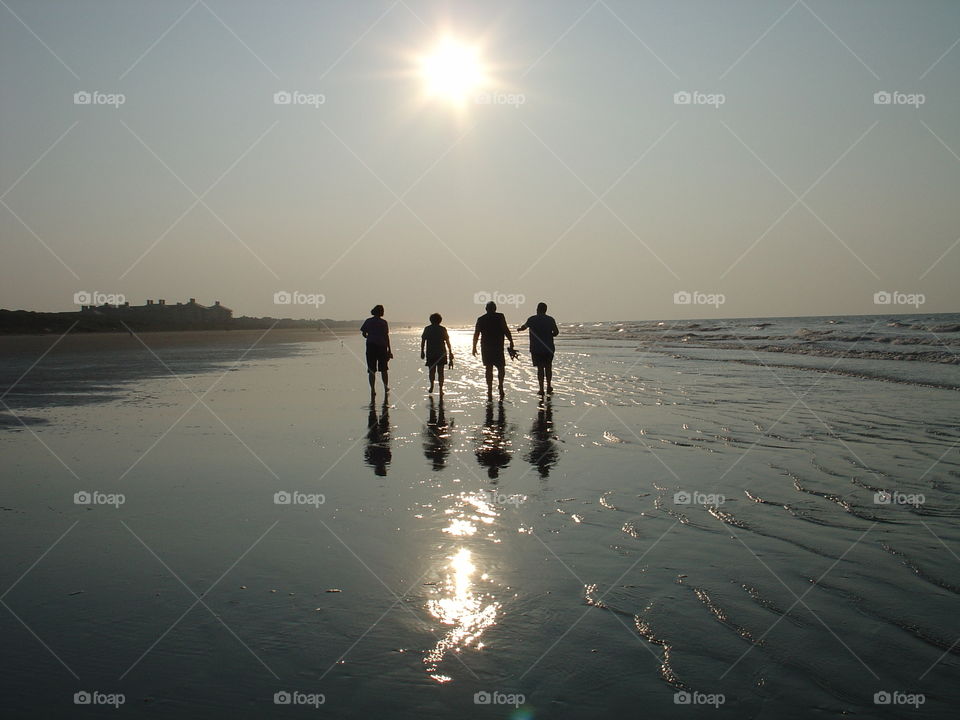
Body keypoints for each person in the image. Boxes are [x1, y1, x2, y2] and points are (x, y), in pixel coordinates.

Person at [472, 301, 515, 399]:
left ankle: (490, 389)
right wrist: (511, 341)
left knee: (489, 368)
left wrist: (474, 347)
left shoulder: (481, 319)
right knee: (500, 367)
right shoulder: (500, 316)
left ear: (486, 309)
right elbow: (505, 329)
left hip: (486, 347)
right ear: (495, 308)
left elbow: (476, 334)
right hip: (497, 346)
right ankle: (500, 385)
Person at [518, 302, 559, 395]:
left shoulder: (531, 319)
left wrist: (519, 329)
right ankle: (549, 386)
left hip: (536, 348)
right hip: (548, 347)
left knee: (540, 369)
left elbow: (524, 327)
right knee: (548, 367)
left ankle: (541, 389)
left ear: (537, 309)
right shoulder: (550, 319)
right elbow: (556, 332)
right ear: (545, 310)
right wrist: (549, 335)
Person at [360, 304, 392, 397]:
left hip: (371, 346)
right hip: (382, 347)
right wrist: (389, 350)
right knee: (384, 369)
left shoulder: (368, 321)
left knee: (371, 369)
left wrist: (368, 336)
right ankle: (385, 387)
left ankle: (373, 389)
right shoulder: (383, 322)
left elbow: (363, 332)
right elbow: (386, 336)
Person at [420, 313, 453, 394]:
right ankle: (441, 389)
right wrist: (450, 352)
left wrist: (422, 351)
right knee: (440, 372)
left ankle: (432, 386)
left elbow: (423, 341)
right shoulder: (442, 329)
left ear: (431, 320)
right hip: (441, 353)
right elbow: (448, 342)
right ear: (440, 321)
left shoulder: (427, 329)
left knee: (432, 371)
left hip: (431, 353)